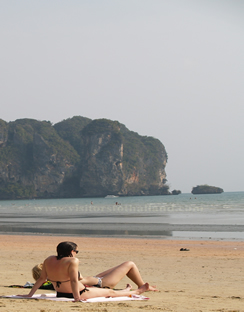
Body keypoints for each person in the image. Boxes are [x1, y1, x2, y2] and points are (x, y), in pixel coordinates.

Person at [19, 241, 151, 301]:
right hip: (80, 292)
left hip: (60, 294)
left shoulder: (48, 260)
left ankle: (126, 291)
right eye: (76, 251)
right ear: (71, 252)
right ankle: (137, 291)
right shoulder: (72, 261)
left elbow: (42, 279)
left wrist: (30, 295)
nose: (76, 253)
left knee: (108, 290)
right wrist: (77, 297)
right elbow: (74, 281)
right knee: (110, 292)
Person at [32, 258, 158, 291]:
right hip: (102, 284)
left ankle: (143, 285)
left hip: (96, 279)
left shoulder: (54, 281)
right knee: (129, 264)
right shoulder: (61, 279)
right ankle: (143, 286)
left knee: (120, 267)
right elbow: (79, 279)